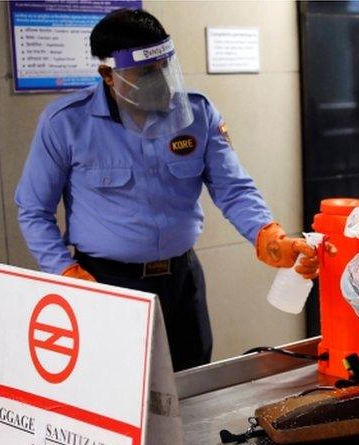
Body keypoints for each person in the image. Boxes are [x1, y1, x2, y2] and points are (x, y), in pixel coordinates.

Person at [16, 8, 323, 372]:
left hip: (181, 280)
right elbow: (33, 210)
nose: (159, 80)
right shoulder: (67, 122)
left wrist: (268, 235)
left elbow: (233, 188)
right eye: (145, 72)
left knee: (191, 386)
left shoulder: (195, 113)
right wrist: (64, 271)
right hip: (107, 283)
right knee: (118, 389)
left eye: (163, 67)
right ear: (108, 75)